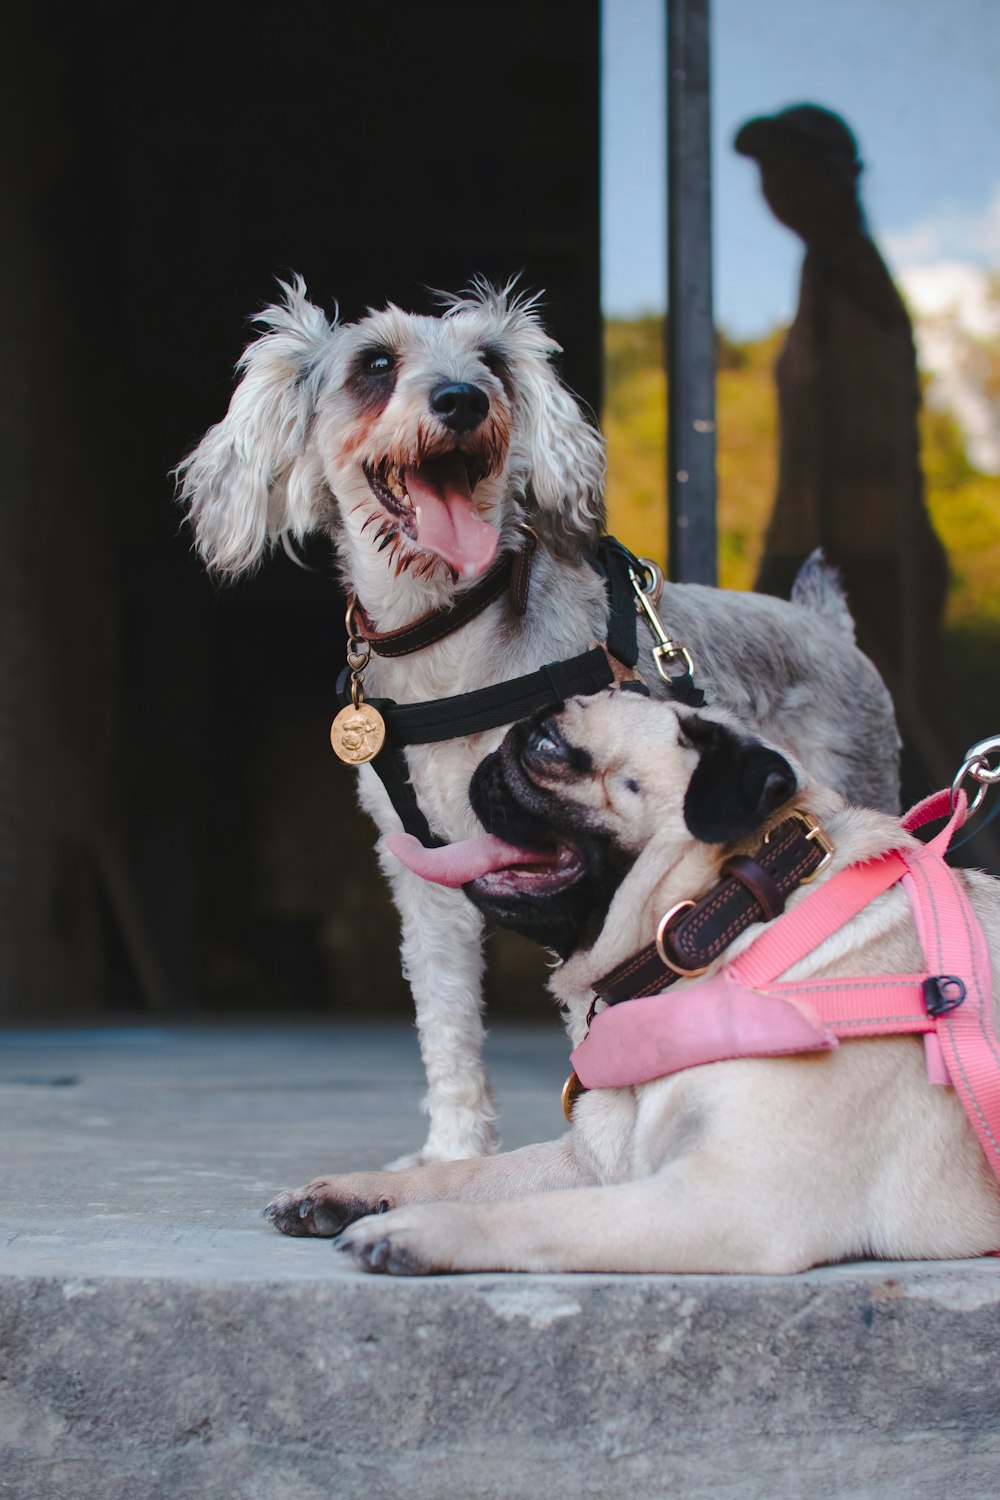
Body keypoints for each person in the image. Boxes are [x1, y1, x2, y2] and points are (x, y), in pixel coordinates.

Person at [735, 104, 947, 701]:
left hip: (863, 554)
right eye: (768, 172)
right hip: (817, 544)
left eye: (786, 169)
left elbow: (868, 427)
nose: (772, 189)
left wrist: (827, 564)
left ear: (831, 178)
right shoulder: (824, 270)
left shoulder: (853, 279)